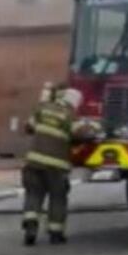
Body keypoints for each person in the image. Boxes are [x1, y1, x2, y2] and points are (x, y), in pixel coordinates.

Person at [21, 85, 93, 246]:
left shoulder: (42, 109)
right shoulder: (70, 116)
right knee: (58, 198)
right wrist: (92, 130)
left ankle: (30, 224)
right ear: (75, 102)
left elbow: (28, 127)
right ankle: (55, 233)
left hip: (34, 163)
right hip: (56, 168)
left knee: (33, 193)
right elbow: (82, 135)